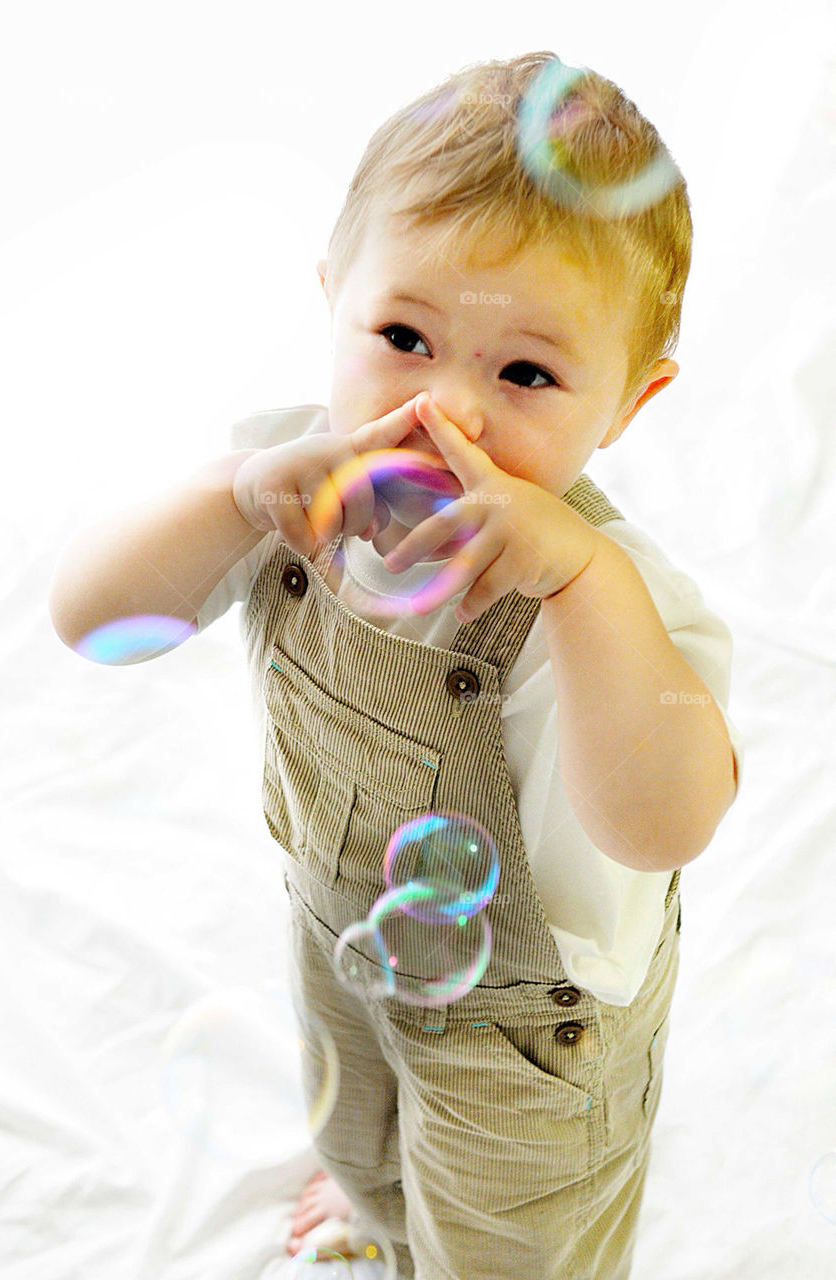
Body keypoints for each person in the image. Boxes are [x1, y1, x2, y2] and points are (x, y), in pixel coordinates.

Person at [49, 50, 743, 1280]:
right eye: (403, 335)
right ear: (332, 300)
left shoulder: (619, 597)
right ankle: (377, 1198)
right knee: (355, 1120)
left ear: (628, 404)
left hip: (524, 1035)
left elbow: (662, 823)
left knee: (509, 1248)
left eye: (526, 371)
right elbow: (85, 614)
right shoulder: (284, 487)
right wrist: (234, 497)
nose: (446, 412)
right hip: (342, 927)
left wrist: (578, 583)